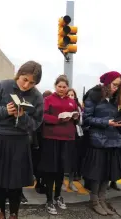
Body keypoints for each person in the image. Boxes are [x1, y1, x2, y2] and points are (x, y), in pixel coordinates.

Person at [0, 61, 44, 219]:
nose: (26, 85)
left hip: (19, 140)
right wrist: (5, 110)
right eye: (24, 79)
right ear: (19, 74)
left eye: (32, 83)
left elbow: (36, 124)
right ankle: (0, 212)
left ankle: (14, 214)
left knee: (15, 181)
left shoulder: (37, 97)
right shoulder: (2, 86)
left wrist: (23, 116)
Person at [82, 71, 121, 215]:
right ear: (107, 83)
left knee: (107, 173)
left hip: (112, 140)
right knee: (97, 173)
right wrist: (106, 122)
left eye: (118, 86)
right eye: (114, 85)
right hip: (97, 141)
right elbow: (86, 119)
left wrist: (120, 121)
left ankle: (102, 199)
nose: (116, 88)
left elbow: (113, 117)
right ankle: (94, 201)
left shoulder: (113, 100)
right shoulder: (94, 95)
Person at [37, 75, 78, 215]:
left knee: (61, 169)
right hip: (51, 138)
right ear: (55, 86)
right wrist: (58, 119)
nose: (62, 89)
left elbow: (77, 117)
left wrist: (75, 116)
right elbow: (43, 116)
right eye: (59, 86)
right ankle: (49, 200)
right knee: (50, 170)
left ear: (68, 87)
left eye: (64, 87)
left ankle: (58, 196)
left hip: (67, 139)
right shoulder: (48, 100)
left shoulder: (72, 101)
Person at [66, 88, 84, 190]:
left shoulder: (78, 107)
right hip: (64, 134)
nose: (70, 97)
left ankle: (71, 182)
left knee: (74, 159)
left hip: (76, 134)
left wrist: (77, 118)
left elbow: (81, 122)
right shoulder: (62, 105)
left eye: (72, 95)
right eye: (68, 95)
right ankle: (62, 182)